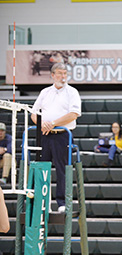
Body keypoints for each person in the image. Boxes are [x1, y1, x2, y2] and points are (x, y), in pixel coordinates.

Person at [31, 62, 81, 213]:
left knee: (62, 170)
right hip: (44, 136)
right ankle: (41, 202)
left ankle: (61, 203)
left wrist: (52, 123)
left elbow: (73, 114)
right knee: (41, 168)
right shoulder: (45, 92)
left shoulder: (72, 92)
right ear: (52, 75)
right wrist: (42, 125)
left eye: (65, 73)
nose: (63, 76)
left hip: (62, 135)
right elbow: (34, 113)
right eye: (59, 73)